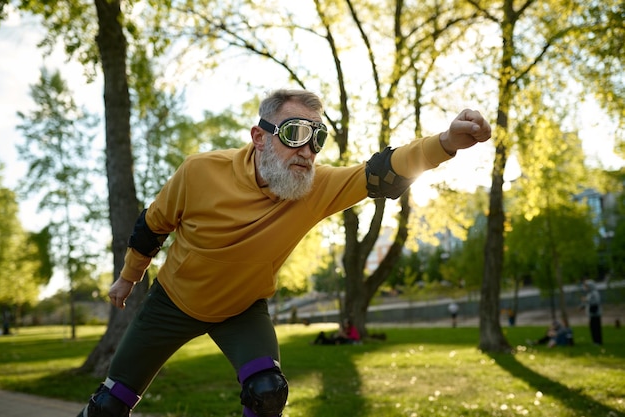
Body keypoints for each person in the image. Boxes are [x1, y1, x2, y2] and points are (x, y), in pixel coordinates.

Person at [76, 88, 491, 417]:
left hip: (242, 309)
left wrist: (445, 142)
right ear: (260, 137)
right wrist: (129, 276)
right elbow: (153, 225)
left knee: (267, 393)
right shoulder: (199, 171)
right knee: (109, 407)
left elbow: (381, 172)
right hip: (172, 303)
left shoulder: (313, 187)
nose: (307, 151)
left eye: (318, 139)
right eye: (294, 133)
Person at [581, 279, 602, 345]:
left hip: (595, 314)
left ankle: (598, 341)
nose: (585, 288)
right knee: (592, 328)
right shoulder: (589, 294)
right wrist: (583, 306)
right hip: (591, 314)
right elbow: (588, 303)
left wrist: (586, 300)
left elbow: (595, 302)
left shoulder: (595, 293)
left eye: (587, 286)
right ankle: (595, 341)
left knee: (596, 328)